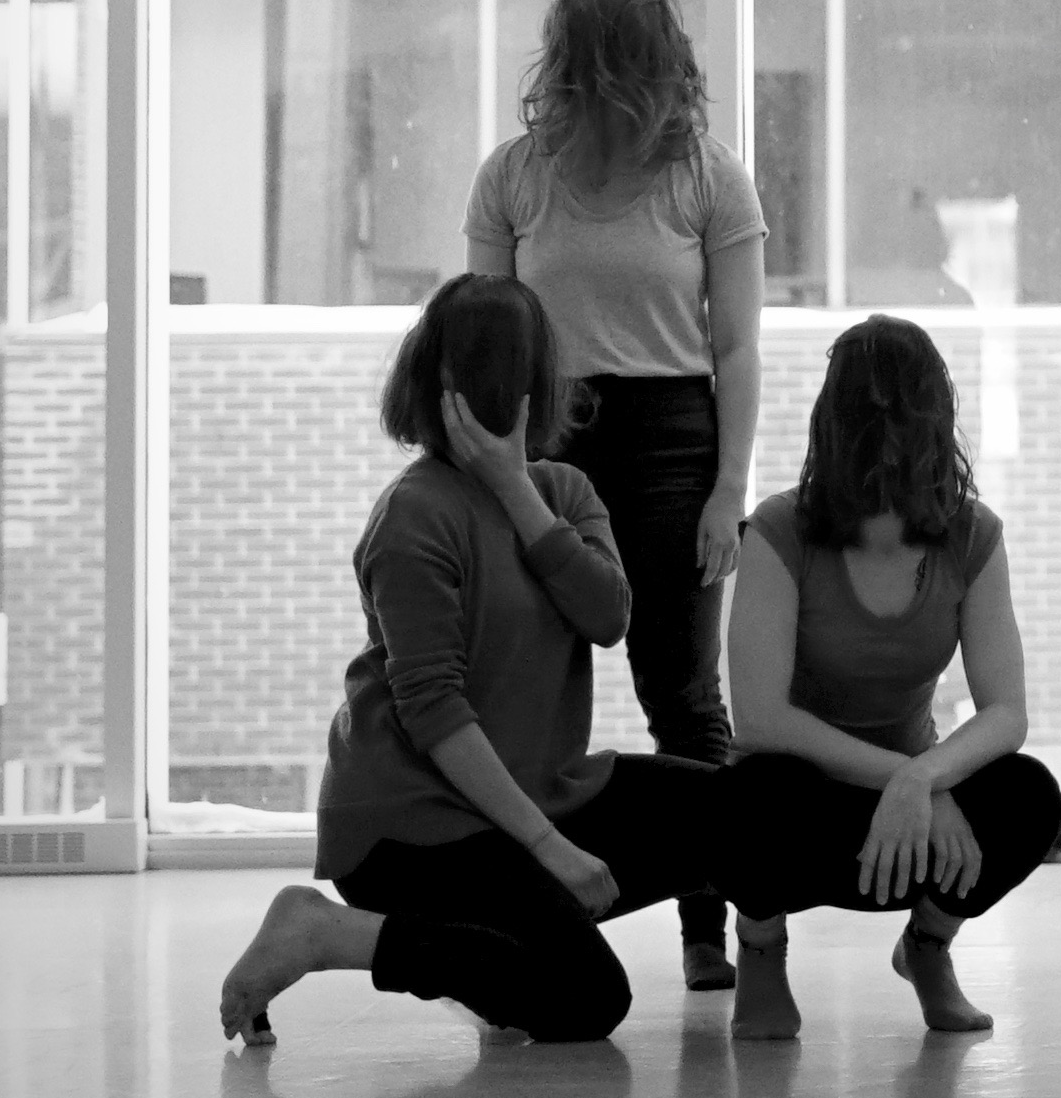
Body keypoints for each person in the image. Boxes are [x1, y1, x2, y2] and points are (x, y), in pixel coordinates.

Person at [216, 273, 793, 1047]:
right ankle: (323, 933)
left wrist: (516, 489)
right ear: (439, 386)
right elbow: (434, 713)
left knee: (740, 810)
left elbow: (607, 617)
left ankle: (499, 950)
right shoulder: (413, 517)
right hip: (413, 826)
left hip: (535, 790)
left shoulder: (565, 490)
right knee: (586, 999)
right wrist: (550, 849)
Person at [465, 0, 767, 993]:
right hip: (543, 442)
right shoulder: (513, 175)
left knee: (682, 694)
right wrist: (492, 476)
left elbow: (735, 349)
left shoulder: (709, 176)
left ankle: (708, 926)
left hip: (673, 438)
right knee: (522, 695)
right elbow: (483, 337)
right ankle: (513, 917)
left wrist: (729, 490)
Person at [723, 314, 1061, 1038]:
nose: (887, 436)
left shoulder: (972, 535)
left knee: (1029, 795)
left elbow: (1006, 712)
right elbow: (758, 717)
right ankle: (759, 950)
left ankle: (927, 949)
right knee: (745, 797)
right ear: (836, 425)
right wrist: (905, 778)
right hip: (807, 808)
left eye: (903, 416)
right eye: (869, 417)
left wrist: (926, 779)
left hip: (911, 814)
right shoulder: (778, 529)